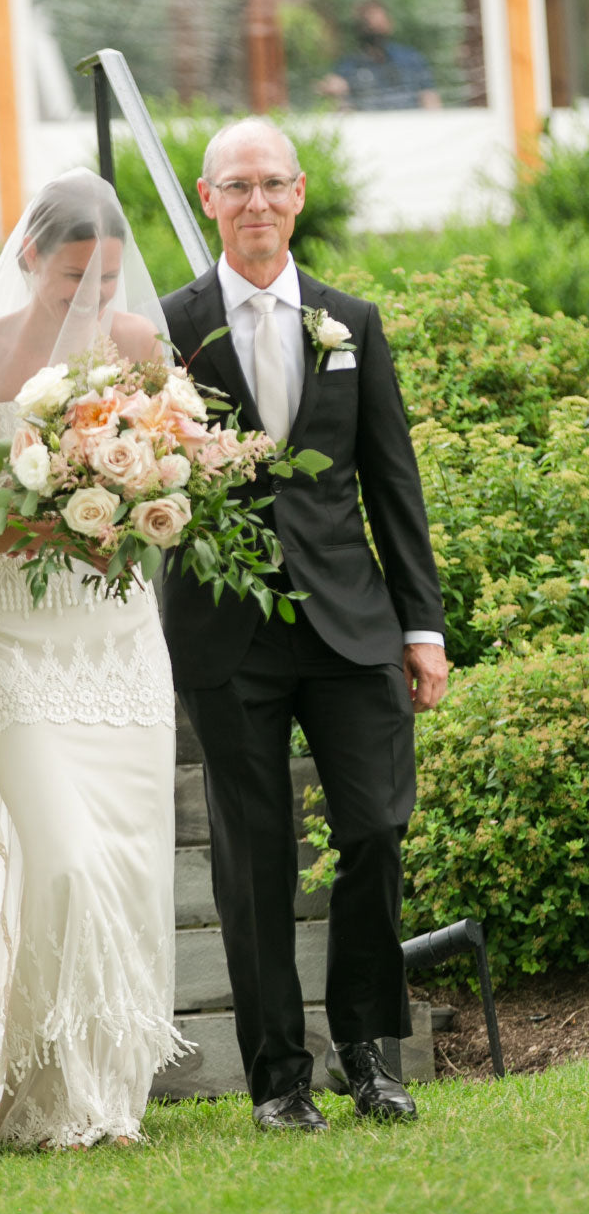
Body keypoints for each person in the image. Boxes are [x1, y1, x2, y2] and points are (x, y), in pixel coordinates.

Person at [160, 117, 448, 1132]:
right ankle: (279, 1077)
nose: (255, 204)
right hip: (224, 632)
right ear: (207, 200)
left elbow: (391, 482)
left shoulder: (350, 322)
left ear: (300, 193)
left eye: (271, 185)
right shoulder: (166, 329)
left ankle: (368, 1051)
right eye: (234, 187)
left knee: (376, 825)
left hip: (350, 623)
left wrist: (424, 627)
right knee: (256, 857)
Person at [0, 168, 189, 1150]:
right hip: (13, 632)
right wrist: (44, 524)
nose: (93, 297)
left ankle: (103, 1097)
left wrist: (143, 501)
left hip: (117, 636)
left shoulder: (131, 343)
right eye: (74, 275)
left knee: (123, 864)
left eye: (110, 279)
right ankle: (45, 1083)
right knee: (67, 863)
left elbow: (177, 469)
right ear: (31, 256)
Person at [317, 0, 442, 111]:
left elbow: (430, 98)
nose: (376, 29)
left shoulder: (410, 59)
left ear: (389, 25)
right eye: (370, 25)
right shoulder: (348, 67)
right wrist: (338, 96)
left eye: (380, 23)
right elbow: (345, 110)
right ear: (360, 29)